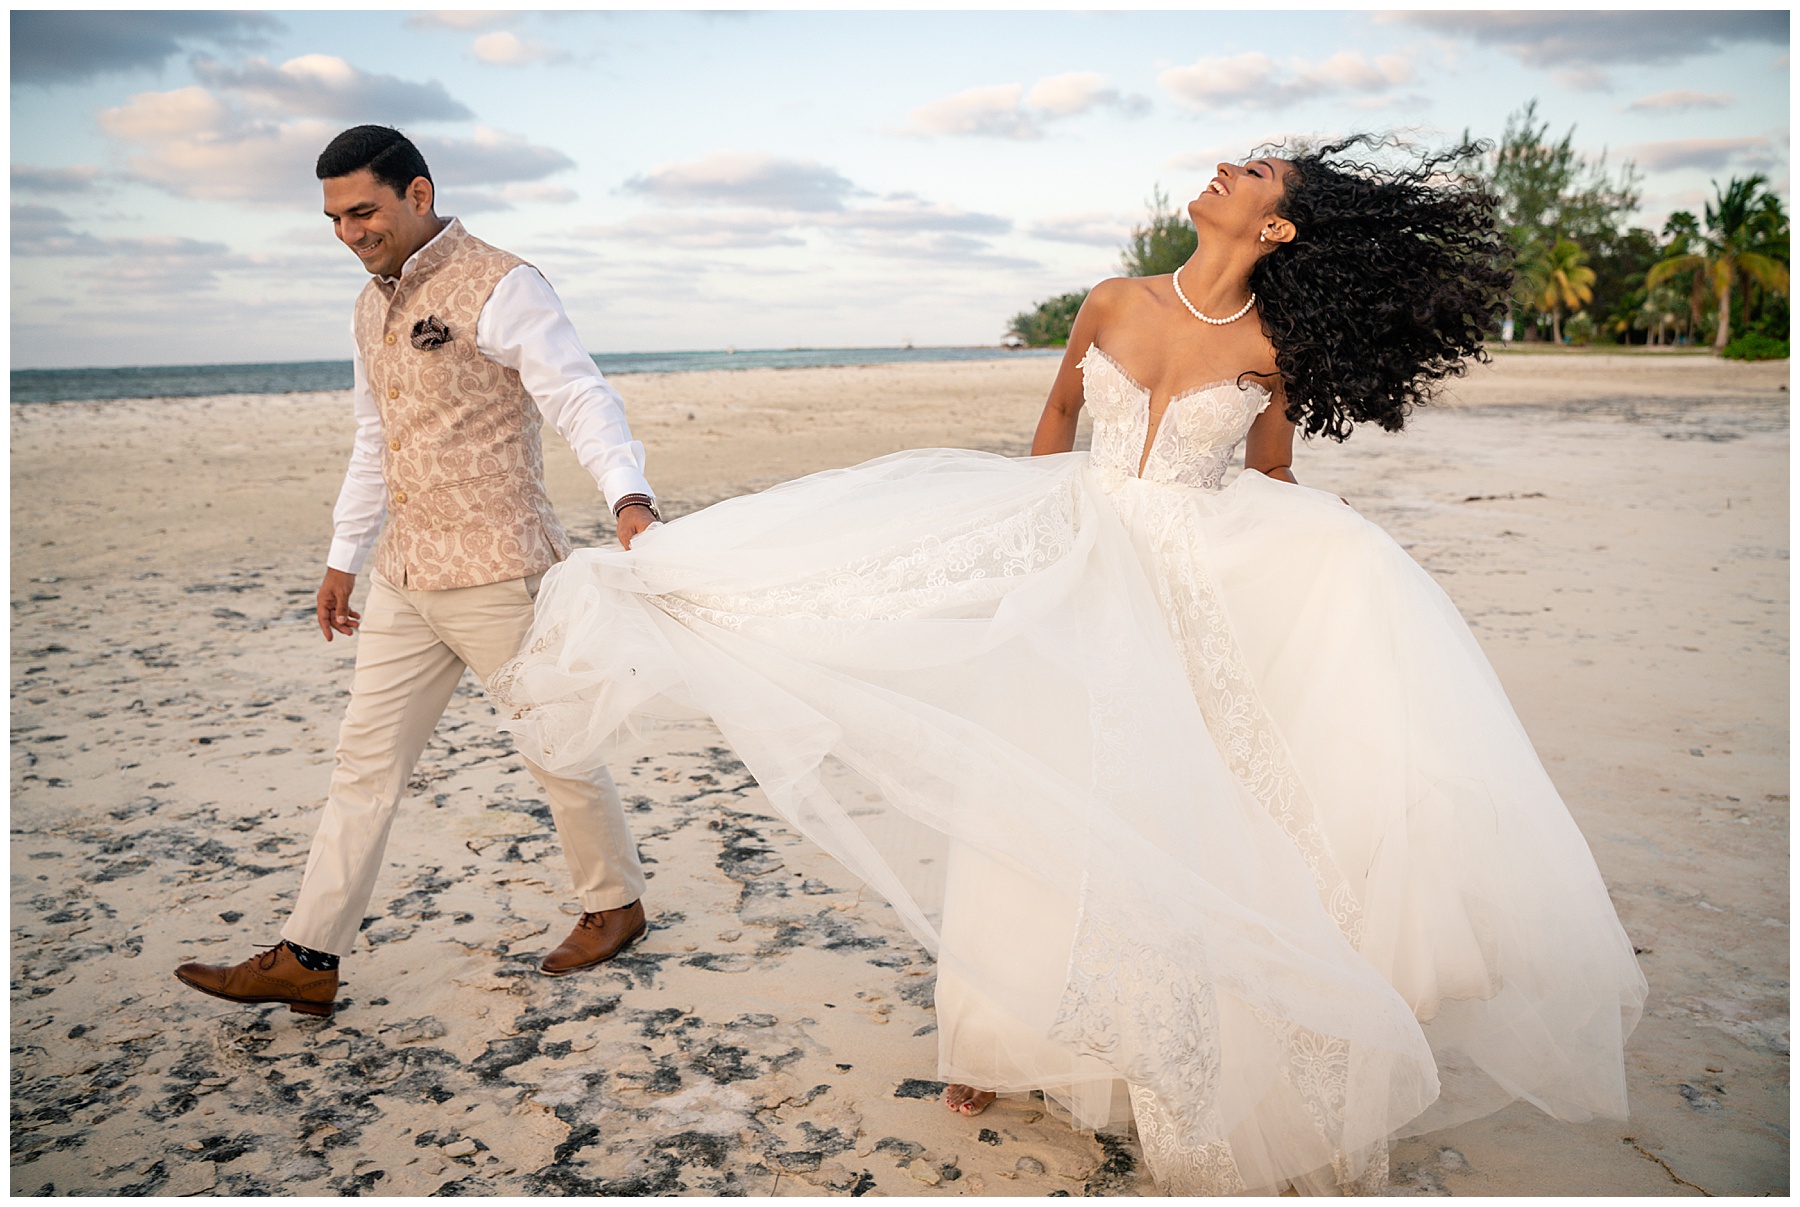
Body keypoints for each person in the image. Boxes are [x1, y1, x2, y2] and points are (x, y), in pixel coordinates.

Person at [490, 136, 1647, 1194]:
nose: (1223, 172)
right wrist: (1019, 550)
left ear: (1279, 229)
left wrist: (1315, 572)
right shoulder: (1112, 299)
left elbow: (1275, 481)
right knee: (1031, 796)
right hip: (1073, 569)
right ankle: (999, 1037)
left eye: (1250, 175)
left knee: (1170, 819)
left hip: (1187, 602)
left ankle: (1178, 1048)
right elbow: (1054, 425)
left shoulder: (1267, 346)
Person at [174, 126, 662, 1019]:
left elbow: (578, 394)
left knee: (554, 746)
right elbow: (376, 439)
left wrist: (629, 496)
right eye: (334, 218)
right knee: (364, 762)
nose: (349, 233)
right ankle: (309, 955)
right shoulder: (369, 307)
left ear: (419, 195)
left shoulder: (504, 282)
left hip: (498, 569)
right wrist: (341, 556)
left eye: (363, 210)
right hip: (404, 573)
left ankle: (615, 903)